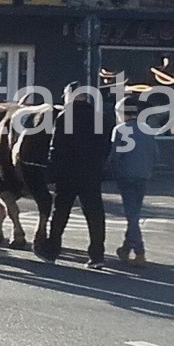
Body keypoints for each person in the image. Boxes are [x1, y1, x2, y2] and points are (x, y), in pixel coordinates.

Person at [35, 82, 111, 269]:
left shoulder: (65, 117)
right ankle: (97, 254)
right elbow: (105, 147)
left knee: (60, 212)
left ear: (70, 94)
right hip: (90, 172)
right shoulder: (99, 117)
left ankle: (52, 249)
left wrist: (50, 174)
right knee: (94, 214)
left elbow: (57, 147)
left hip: (67, 172)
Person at [110, 96, 159, 267]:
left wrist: (110, 171)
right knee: (134, 213)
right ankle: (125, 248)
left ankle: (140, 252)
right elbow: (155, 155)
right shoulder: (148, 130)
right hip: (143, 175)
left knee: (132, 217)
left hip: (126, 175)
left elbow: (116, 156)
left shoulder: (120, 130)